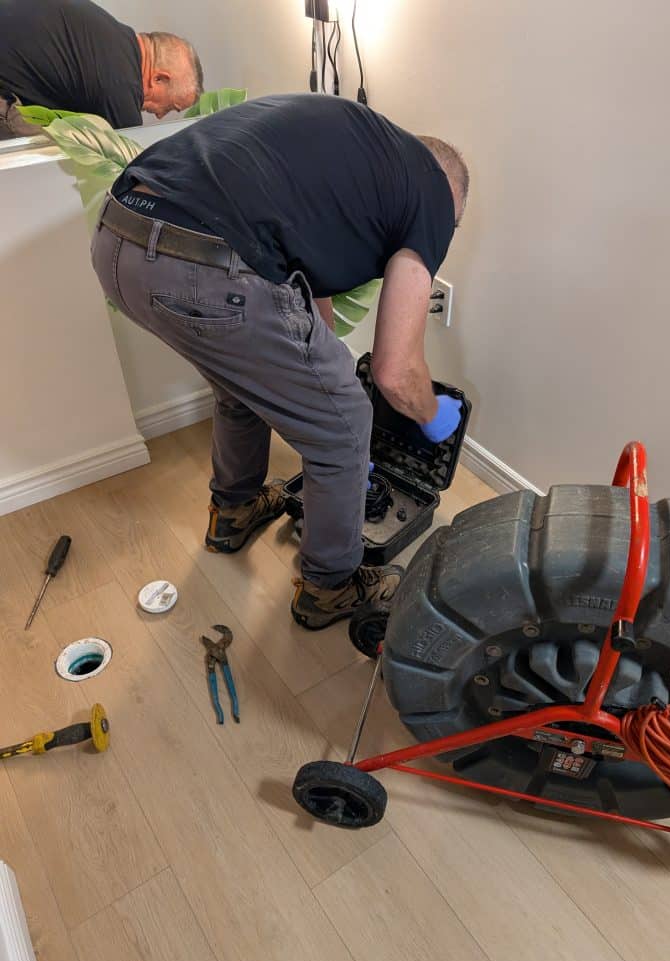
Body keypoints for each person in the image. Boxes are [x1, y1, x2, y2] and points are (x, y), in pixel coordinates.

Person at [90, 93, 469, 630]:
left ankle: (235, 510)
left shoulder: (359, 149)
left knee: (244, 381)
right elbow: (394, 371)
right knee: (345, 426)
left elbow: (302, 287)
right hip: (198, 259)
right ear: (452, 204)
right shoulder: (433, 196)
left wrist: (319, 368)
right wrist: (432, 416)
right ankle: (329, 588)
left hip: (118, 239)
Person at [0, 0, 202, 139]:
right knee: (57, 158)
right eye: (168, 108)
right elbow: (127, 166)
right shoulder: (122, 85)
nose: (159, 115)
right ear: (159, 79)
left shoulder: (111, 35)